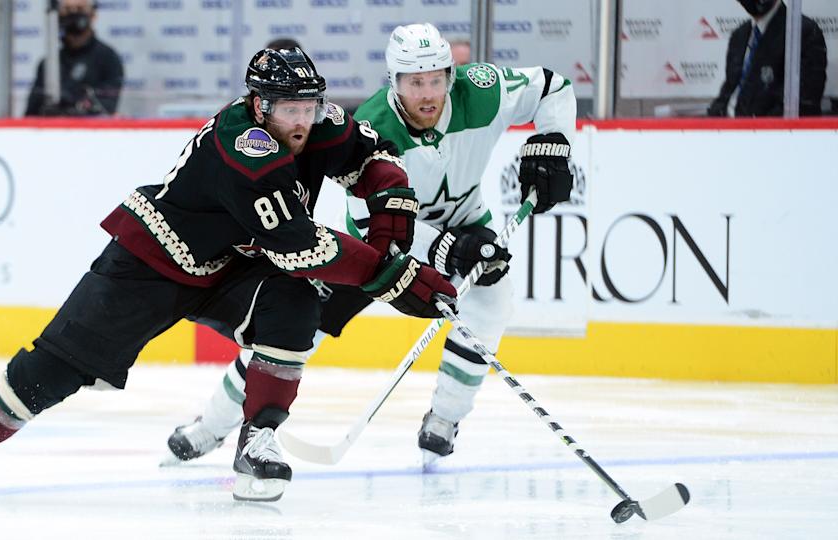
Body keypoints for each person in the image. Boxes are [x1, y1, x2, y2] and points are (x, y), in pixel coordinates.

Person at [0, 47, 456, 502]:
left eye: (308, 107)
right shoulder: (244, 148)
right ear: (258, 105)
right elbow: (301, 246)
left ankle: (258, 439)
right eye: (287, 108)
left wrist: (390, 212)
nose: (301, 120)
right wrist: (394, 276)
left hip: (234, 265)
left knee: (294, 306)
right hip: (153, 262)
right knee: (57, 367)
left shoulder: (322, 121)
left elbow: (374, 158)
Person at [166, 23, 575, 466]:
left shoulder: (482, 91)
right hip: (371, 249)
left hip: (465, 218)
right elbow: (374, 225)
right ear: (394, 82)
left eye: (436, 79)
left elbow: (554, 87)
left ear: (450, 76)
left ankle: (444, 420)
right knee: (294, 331)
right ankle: (210, 426)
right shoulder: (374, 128)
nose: (427, 94)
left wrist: (553, 140)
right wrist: (445, 249)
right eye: (415, 82)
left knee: (493, 300)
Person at [708, 0, 827, 117]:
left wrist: (756, 129)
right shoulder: (739, 35)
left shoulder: (801, 32)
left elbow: (803, 103)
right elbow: (728, 91)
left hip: (766, 131)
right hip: (725, 129)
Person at [25, 0, 124, 117]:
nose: (73, 15)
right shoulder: (49, 63)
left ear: (93, 14)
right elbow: (32, 113)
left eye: (79, 9)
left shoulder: (108, 58)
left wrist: (72, 109)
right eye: (67, 10)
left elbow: (105, 107)